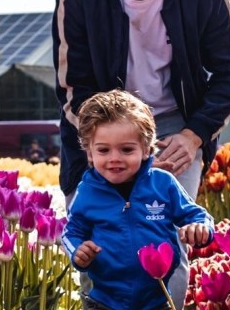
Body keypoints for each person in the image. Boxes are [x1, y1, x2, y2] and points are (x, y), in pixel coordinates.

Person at [52, 0, 230, 308]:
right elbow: (73, 88)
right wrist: (108, 146)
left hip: (178, 129)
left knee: (165, 237)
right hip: (100, 129)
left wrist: (194, 137)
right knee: (95, 240)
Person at [62, 89, 214, 310]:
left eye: (126, 149)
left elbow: (197, 215)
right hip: (105, 302)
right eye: (103, 150)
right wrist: (78, 250)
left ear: (145, 149)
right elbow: (71, 232)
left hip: (157, 299)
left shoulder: (163, 183)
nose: (115, 158)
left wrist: (200, 228)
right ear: (89, 153)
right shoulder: (87, 192)